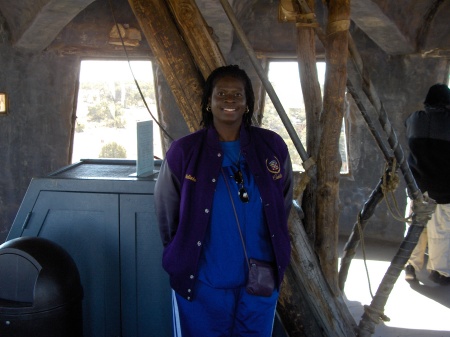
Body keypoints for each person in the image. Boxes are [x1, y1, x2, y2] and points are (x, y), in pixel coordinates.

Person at [154, 65, 293, 336]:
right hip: (202, 284)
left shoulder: (272, 147)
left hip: (260, 283)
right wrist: (180, 252)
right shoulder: (184, 152)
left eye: (237, 94)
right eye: (221, 94)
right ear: (209, 101)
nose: (229, 100)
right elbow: (167, 215)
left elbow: (282, 201)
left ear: (247, 103)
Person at [404, 83, 450, 285]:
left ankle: (410, 267)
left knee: (415, 227)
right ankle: (439, 272)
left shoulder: (415, 119)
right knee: (441, 232)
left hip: (417, 187)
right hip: (444, 190)